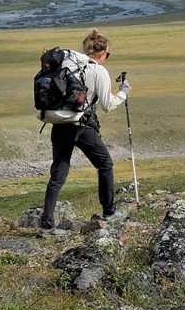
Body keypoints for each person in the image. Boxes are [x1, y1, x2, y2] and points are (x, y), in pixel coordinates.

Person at [40, 28, 131, 230]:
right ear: (102, 52)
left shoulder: (67, 64)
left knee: (58, 173)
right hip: (81, 125)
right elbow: (107, 105)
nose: (107, 57)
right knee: (105, 163)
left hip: (58, 123)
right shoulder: (98, 71)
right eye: (107, 54)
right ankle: (109, 212)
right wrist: (123, 93)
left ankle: (46, 224)